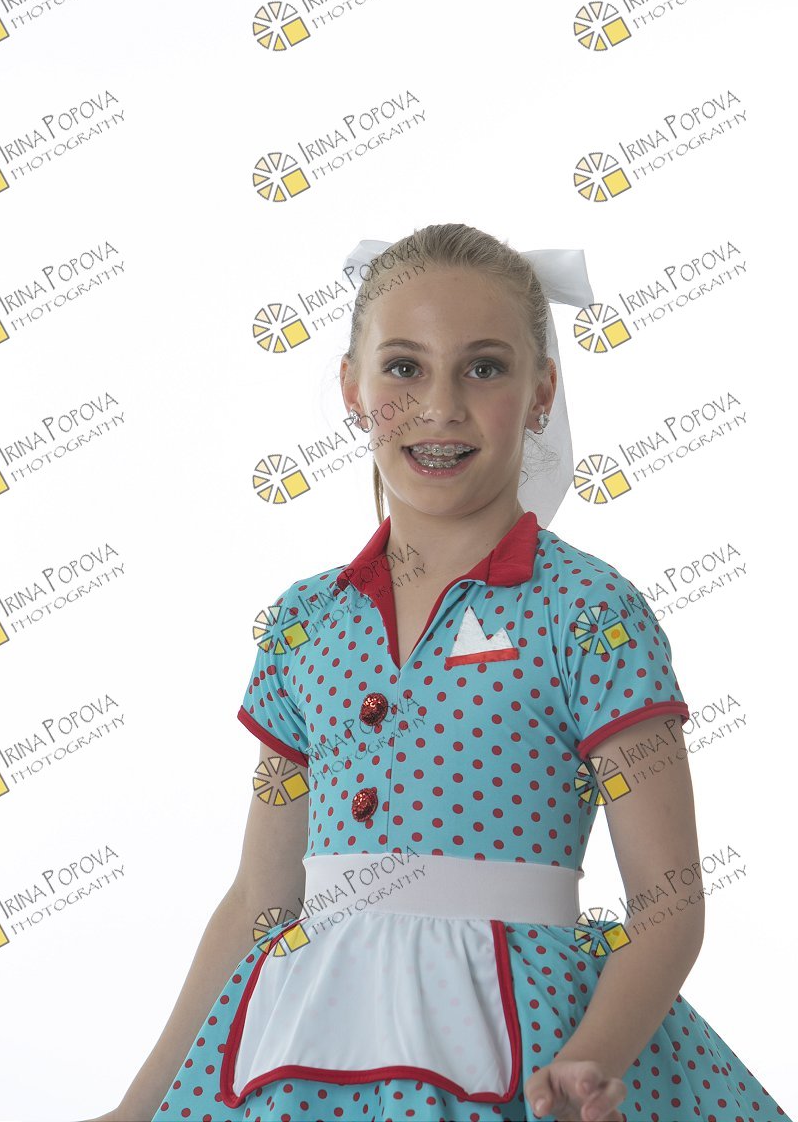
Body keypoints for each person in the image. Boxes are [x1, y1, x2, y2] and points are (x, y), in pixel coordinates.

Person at [83, 223, 792, 1122]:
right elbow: (261, 900)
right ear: (354, 388)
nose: (440, 406)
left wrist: (589, 1059)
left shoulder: (589, 615)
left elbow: (668, 900)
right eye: (404, 368)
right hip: (302, 1050)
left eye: (484, 368)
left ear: (542, 391)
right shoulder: (304, 625)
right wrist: (133, 1110)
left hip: (530, 1044)